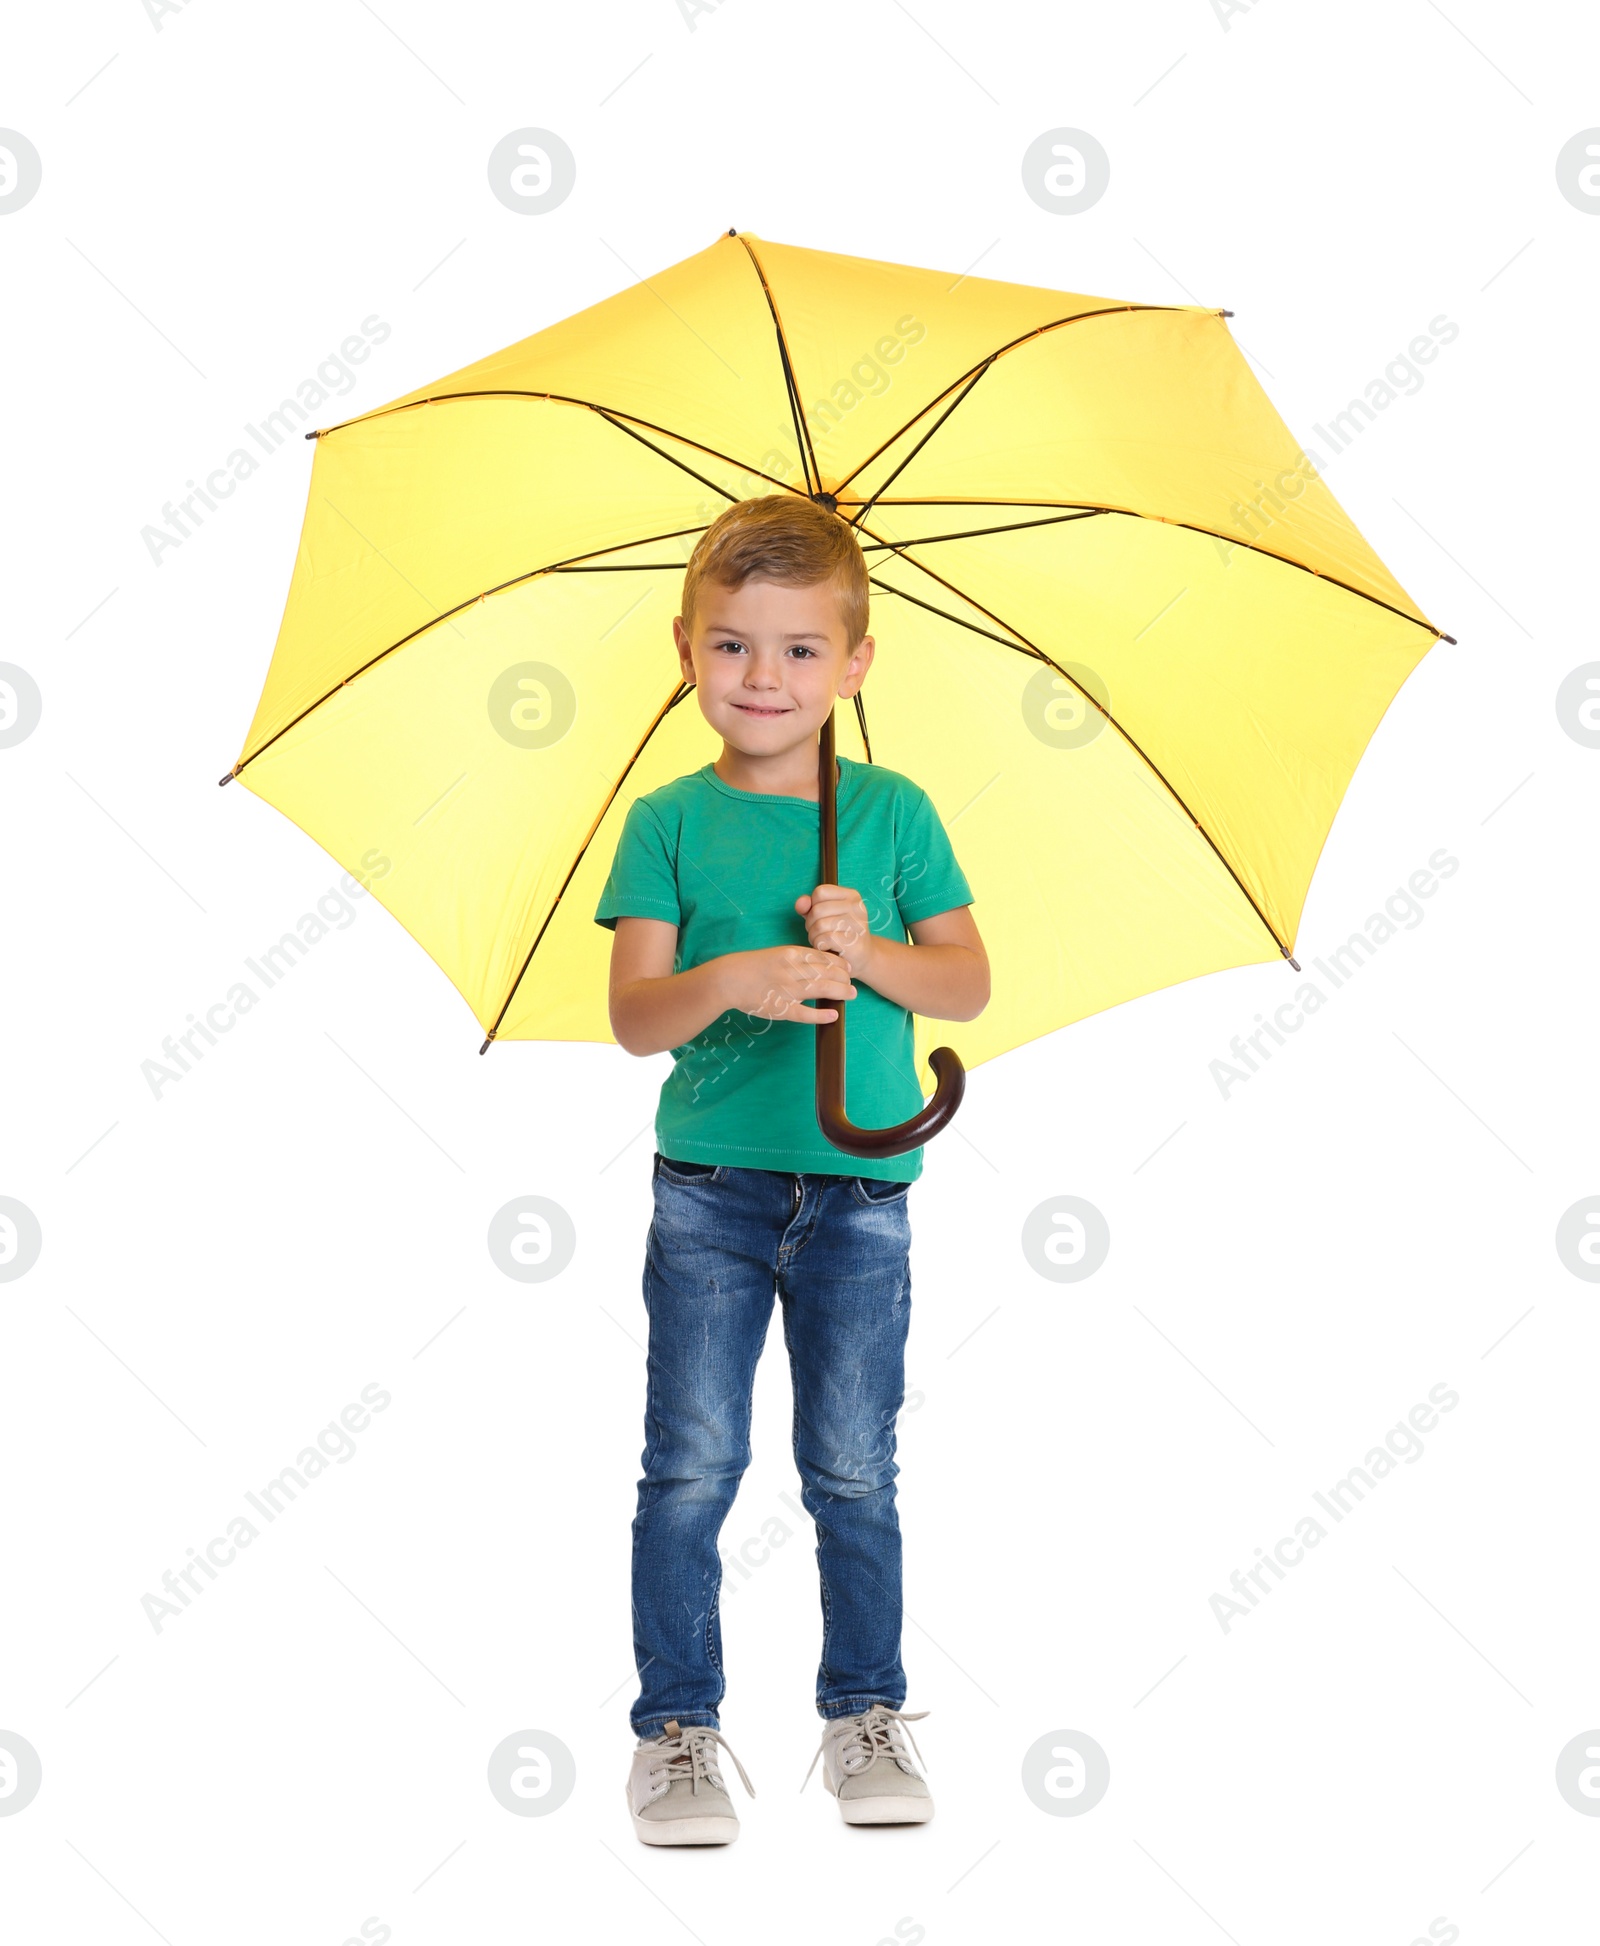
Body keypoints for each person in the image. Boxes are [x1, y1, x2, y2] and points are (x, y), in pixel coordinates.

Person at [593, 494, 989, 1846]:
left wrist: (866, 948)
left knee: (851, 1464)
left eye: (801, 650)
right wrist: (735, 977)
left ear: (858, 661)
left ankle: (863, 1708)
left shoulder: (890, 812)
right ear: (688, 648)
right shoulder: (667, 821)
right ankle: (677, 1728)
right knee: (691, 1463)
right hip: (709, 1187)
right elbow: (635, 1015)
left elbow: (970, 981)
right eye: (734, 646)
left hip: (863, 1195)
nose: (765, 677)